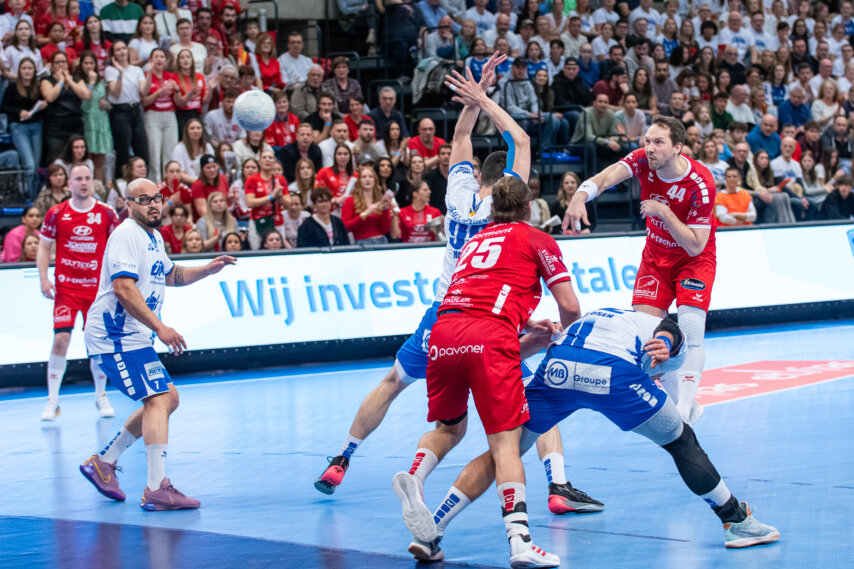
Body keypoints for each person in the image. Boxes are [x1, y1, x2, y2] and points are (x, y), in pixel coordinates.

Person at [315, 55, 580, 537]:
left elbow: (459, 139)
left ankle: (342, 457)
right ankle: (556, 485)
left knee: (396, 382)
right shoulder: (510, 211)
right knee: (532, 400)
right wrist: (484, 98)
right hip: (493, 313)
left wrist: (471, 102)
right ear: (513, 188)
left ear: (478, 175)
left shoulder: (457, 196)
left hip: (444, 310)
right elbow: (519, 139)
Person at [422, 309, 780, 557]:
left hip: (559, 366)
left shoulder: (612, 315)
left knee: (505, 451)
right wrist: (668, 343)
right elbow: (672, 327)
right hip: (611, 372)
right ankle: (735, 520)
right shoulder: (661, 331)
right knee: (681, 440)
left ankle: (432, 528)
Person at [393, 162, 584, 567]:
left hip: (444, 333)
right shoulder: (536, 239)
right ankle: (520, 542)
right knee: (505, 444)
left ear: (492, 205)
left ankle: (419, 484)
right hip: (487, 337)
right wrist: (567, 344)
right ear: (529, 207)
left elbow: (480, 291)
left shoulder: (475, 241)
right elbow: (569, 306)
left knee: (448, 428)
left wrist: (524, 322)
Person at [78, 177, 235, 511]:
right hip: (115, 335)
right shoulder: (125, 234)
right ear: (129, 204)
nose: (153, 204)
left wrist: (206, 270)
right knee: (159, 398)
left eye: (157, 198)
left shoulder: (153, 236)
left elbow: (169, 274)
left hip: (134, 335)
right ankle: (156, 488)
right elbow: (123, 288)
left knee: (167, 399)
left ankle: (104, 463)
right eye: (144, 199)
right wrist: (161, 327)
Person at [563, 115, 717, 424]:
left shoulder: (701, 182)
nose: (649, 148)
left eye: (658, 142)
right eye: (647, 141)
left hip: (693, 259)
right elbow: (606, 178)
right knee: (649, 337)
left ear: (677, 147)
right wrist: (580, 195)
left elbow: (696, 245)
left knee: (689, 331)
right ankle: (685, 407)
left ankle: (685, 410)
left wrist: (663, 212)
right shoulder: (641, 161)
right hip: (655, 257)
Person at [37, 164, 120, 421]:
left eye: (87, 178)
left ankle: (101, 396)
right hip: (66, 288)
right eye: (78, 179)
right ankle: (52, 401)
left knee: (96, 342)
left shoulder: (107, 213)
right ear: (68, 184)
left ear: (92, 182)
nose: (83, 183)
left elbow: (117, 250)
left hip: (97, 291)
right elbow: (43, 248)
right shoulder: (56, 213)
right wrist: (43, 278)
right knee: (61, 340)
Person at [1, 57, 43, 197]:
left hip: (36, 127)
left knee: (36, 167)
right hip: (19, 128)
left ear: (34, 70)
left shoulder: (38, 87)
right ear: (19, 70)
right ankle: (29, 199)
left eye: (30, 68)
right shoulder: (12, 87)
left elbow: (46, 108)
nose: (27, 71)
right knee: (29, 166)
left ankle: (37, 198)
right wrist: (19, 112)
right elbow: (4, 107)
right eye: (24, 68)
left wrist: (42, 107)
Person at [106, 41, 148, 175]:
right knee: (122, 151)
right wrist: (120, 72)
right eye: (118, 50)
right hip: (120, 112)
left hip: (136, 110)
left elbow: (144, 91)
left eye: (124, 48)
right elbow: (116, 93)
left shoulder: (137, 70)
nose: (122, 51)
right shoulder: (110, 70)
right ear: (113, 55)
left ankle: (143, 182)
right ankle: (120, 184)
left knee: (142, 150)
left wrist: (151, 74)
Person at [40, 50, 90, 163]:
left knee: (77, 160)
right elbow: (50, 97)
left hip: (76, 126)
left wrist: (69, 80)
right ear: (52, 65)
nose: (61, 64)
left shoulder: (76, 79)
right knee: (57, 161)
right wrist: (61, 81)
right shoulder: (47, 81)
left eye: (63, 61)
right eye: (57, 62)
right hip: (56, 128)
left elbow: (85, 94)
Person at [141, 48, 179, 184]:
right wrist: (159, 92)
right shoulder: (146, 75)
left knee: (170, 154)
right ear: (150, 60)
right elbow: (143, 101)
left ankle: (170, 186)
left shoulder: (171, 76)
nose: (159, 59)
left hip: (170, 116)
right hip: (152, 116)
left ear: (166, 60)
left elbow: (179, 101)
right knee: (154, 155)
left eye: (162, 56)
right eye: (156, 57)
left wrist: (178, 90)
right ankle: (154, 187)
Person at [341, 165, 393, 245]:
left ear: (375, 180)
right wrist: (365, 214)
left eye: (370, 177)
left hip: (382, 241)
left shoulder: (380, 200)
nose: (367, 179)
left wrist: (385, 209)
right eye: (364, 177)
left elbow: (385, 229)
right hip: (362, 243)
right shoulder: (350, 201)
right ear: (359, 181)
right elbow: (345, 227)